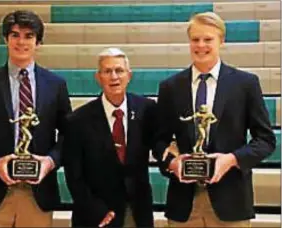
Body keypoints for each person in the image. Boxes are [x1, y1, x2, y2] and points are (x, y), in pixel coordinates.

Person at [153, 12, 276, 227]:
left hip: (231, 202)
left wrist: (231, 159)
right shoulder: (170, 87)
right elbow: (158, 140)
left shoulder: (245, 84)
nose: (201, 45)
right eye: (195, 39)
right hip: (184, 205)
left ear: (222, 41)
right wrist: (173, 164)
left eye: (208, 39)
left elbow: (265, 140)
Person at [0, 10, 72, 227]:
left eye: (29, 36)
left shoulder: (56, 85)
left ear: (38, 42)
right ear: (6, 39)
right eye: (15, 35)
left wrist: (49, 162)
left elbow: (69, 135)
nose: (21, 42)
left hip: (38, 195)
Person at [63, 47, 156, 227]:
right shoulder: (77, 120)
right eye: (107, 71)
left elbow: (160, 144)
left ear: (129, 75)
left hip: (137, 212)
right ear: (98, 77)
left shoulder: (147, 109)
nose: (114, 77)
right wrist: (95, 210)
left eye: (119, 70)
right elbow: (74, 175)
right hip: (97, 216)